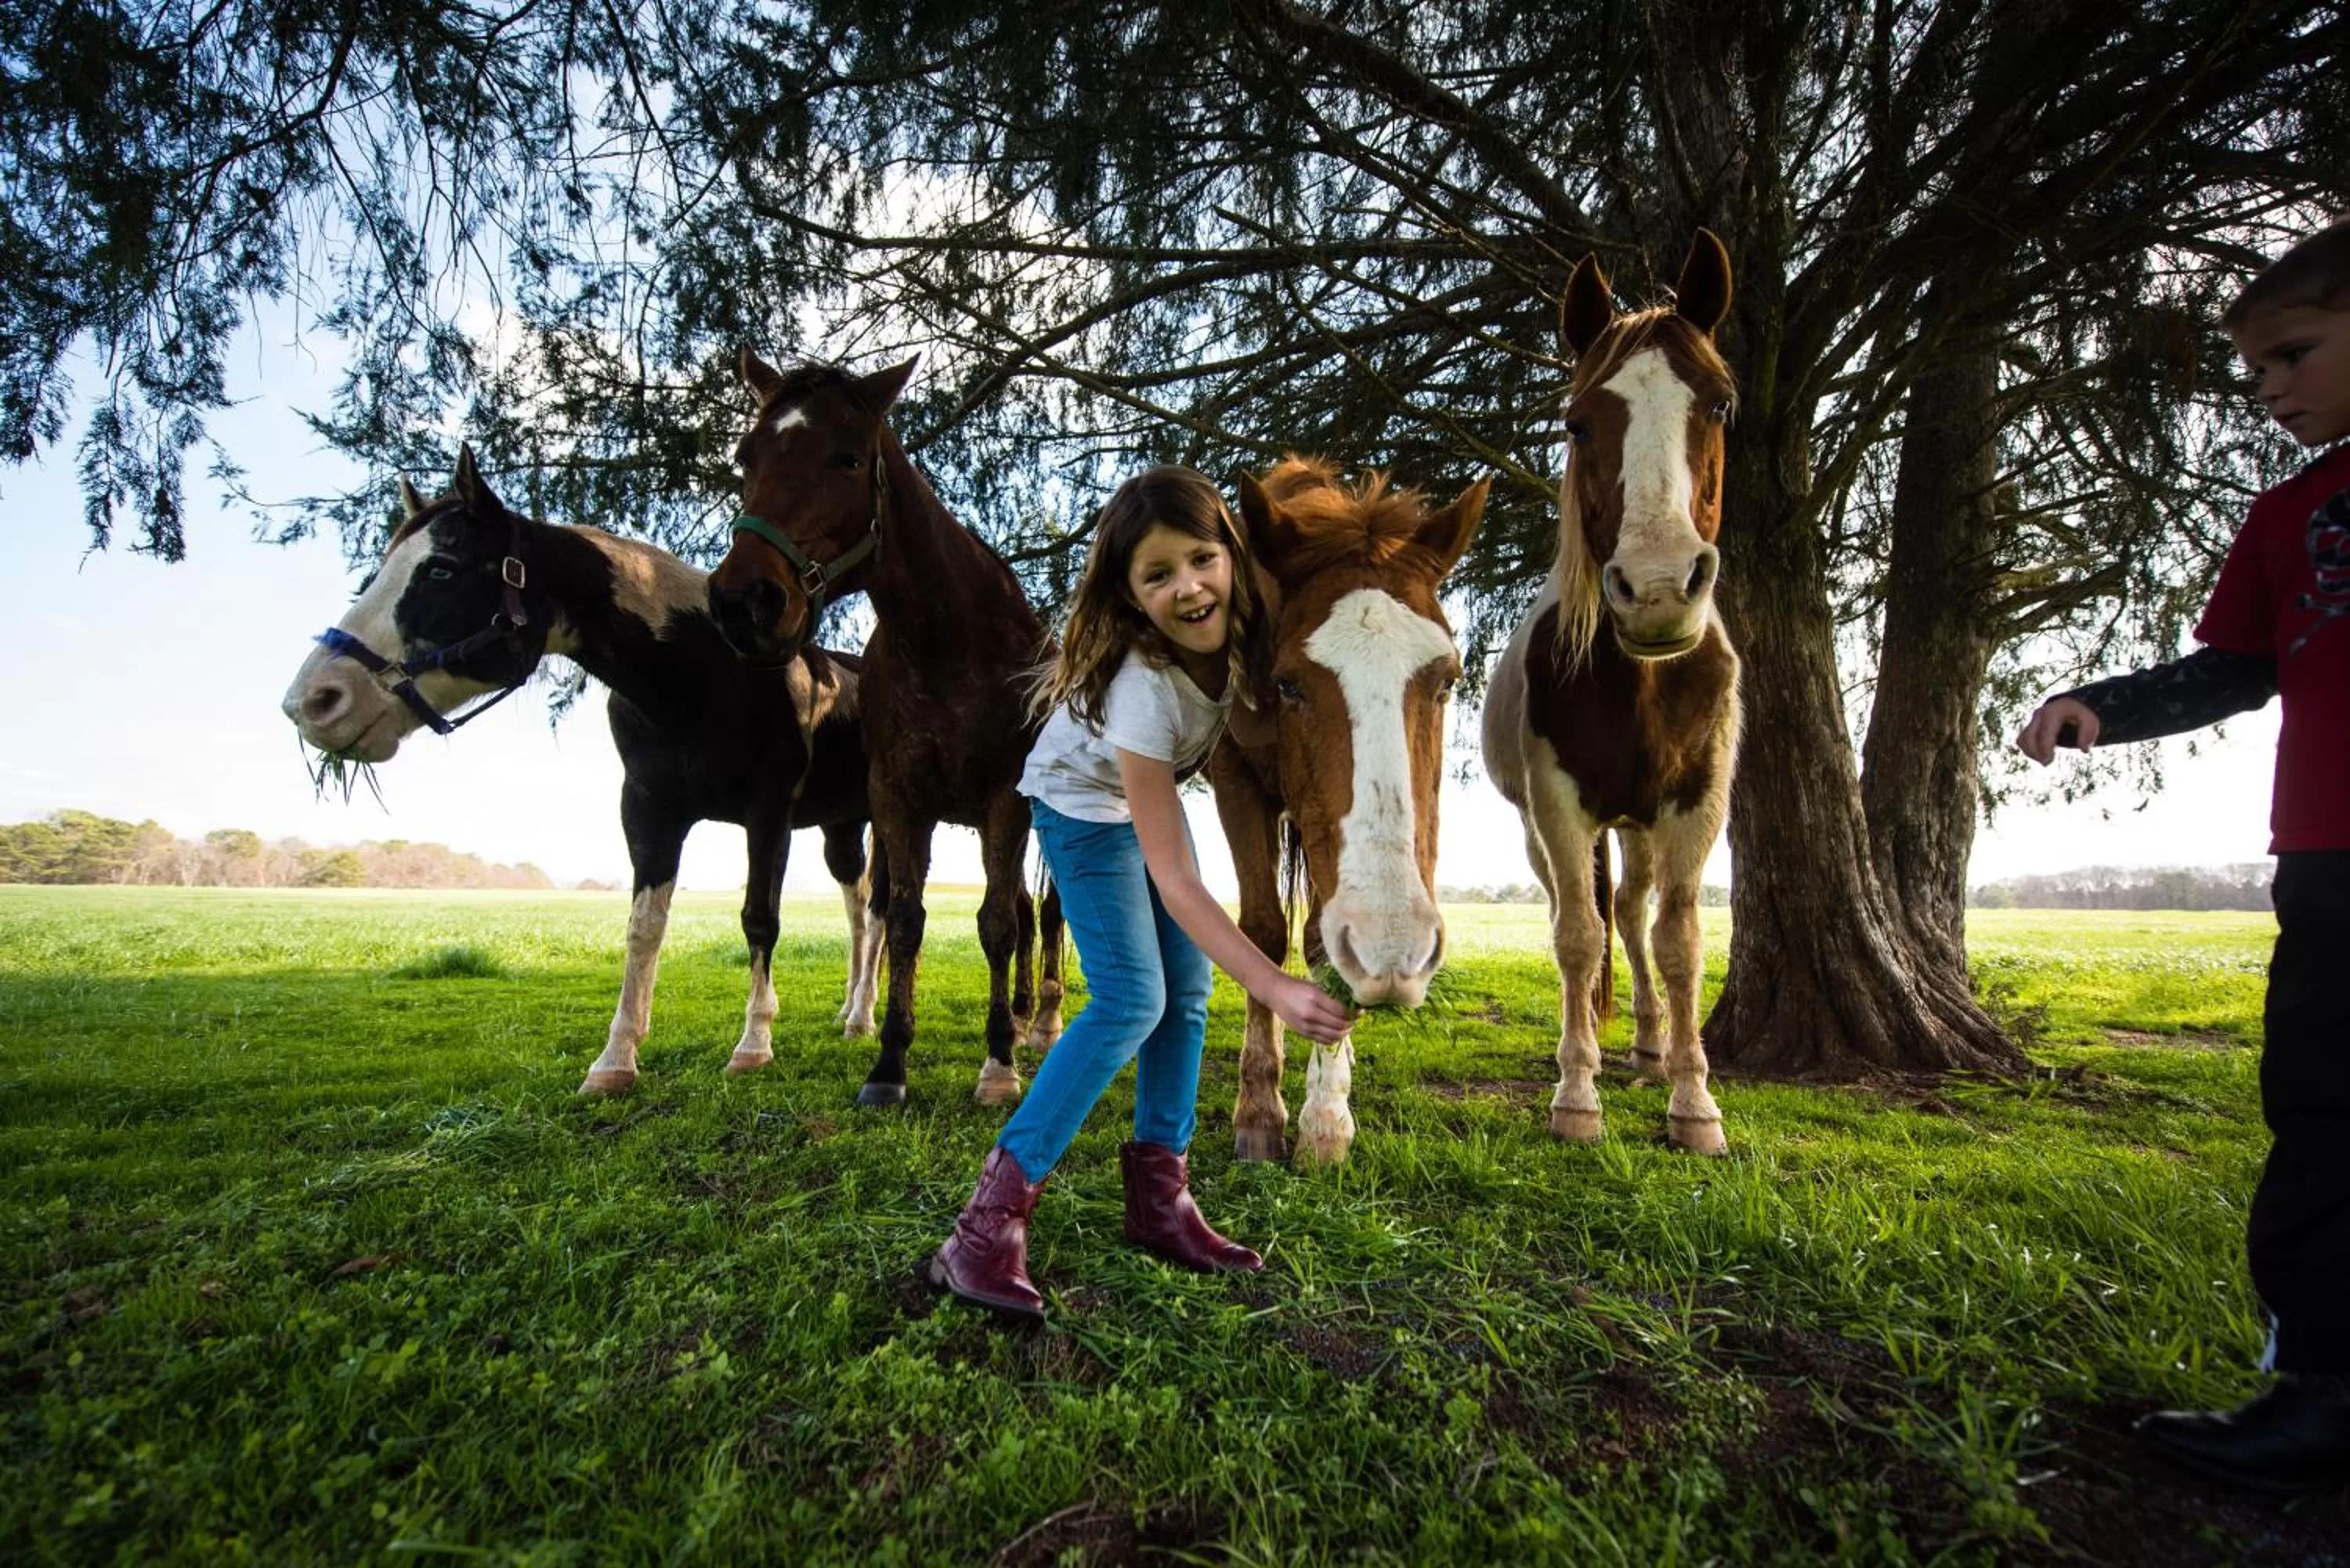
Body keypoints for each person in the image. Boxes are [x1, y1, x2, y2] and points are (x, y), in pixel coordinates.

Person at [2016, 219, 2350, 1492]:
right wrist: (2100, 704)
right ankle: (2320, 1388)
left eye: (2296, 352)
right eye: (2256, 365)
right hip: (2328, 863)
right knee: (2321, 1115)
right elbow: (2235, 669)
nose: (2267, 387)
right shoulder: (2288, 513)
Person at [926, 465, 1353, 1323]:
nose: (1188, 586)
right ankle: (982, 1227)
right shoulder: (1143, 688)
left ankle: (1162, 1203)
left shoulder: (1250, 628)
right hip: (1078, 808)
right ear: (1129, 596)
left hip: (1130, 800)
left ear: (1230, 554)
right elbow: (1177, 878)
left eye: (1201, 558)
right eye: (1157, 575)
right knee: (1131, 998)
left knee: (1185, 994)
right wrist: (1269, 983)